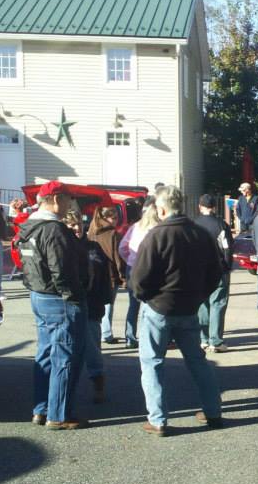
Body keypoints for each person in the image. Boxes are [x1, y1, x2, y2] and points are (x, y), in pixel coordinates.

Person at [131, 186, 223, 437]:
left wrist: (146, 297)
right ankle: (213, 410)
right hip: (189, 308)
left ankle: (158, 420)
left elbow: (139, 279)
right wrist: (199, 296)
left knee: (152, 362)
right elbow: (216, 271)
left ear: (161, 209)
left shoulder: (156, 236)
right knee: (197, 361)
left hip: (159, 308)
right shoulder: (201, 235)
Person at [16, 180, 87, 430]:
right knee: (65, 355)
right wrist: (75, 296)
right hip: (59, 299)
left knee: (46, 353)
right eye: (68, 198)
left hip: (39, 294)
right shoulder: (54, 230)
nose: (70, 203)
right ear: (56, 199)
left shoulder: (28, 227)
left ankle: (41, 408)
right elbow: (62, 270)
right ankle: (59, 414)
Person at [65, 209, 112, 404]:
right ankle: (65, 391)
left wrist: (104, 300)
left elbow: (105, 278)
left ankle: (98, 385)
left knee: (93, 351)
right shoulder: (62, 247)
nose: (77, 227)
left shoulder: (94, 247)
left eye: (79, 223)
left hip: (92, 307)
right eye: (71, 224)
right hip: (68, 306)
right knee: (67, 351)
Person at [119, 202, 162, 349]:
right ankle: (146, 337)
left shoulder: (135, 227)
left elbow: (122, 247)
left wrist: (129, 259)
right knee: (148, 304)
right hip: (150, 269)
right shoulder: (157, 229)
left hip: (132, 267)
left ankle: (130, 337)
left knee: (133, 305)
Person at [194, 194, 233, 352]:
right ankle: (215, 341)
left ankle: (203, 339)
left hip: (198, 270)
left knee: (202, 304)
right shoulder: (221, 225)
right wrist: (227, 266)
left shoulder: (193, 225)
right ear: (214, 208)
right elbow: (227, 248)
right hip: (218, 269)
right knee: (218, 303)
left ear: (200, 206)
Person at [88, 206, 127, 344]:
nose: (116, 221)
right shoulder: (112, 234)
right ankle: (106, 333)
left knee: (97, 303)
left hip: (93, 271)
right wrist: (123, 276)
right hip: (110, 273)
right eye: (113, 218)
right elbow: (118, 257)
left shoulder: (92, 231)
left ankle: (102, 332)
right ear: (105, 218)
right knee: (108, 304)